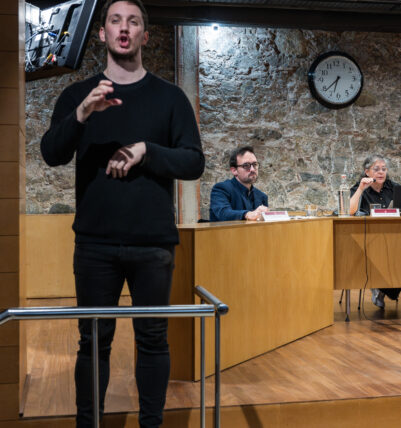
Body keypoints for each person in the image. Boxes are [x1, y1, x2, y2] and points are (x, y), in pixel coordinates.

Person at [39, 1, 205, 426]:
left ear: (145, 35)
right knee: (93, 342)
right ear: (103, 33)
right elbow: (51, 153)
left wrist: (147, 150)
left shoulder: (170, 98)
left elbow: (193, 162)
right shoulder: (78, 96)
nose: (124, 28)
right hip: (95, 244)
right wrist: (82, 114)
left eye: (133, 22)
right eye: (115, 21)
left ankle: (152, 423)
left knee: (153, 341)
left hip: (153, 244)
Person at [349, 155, 401, 308]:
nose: (381, 172)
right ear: (367, 172)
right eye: (376, 169)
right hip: (367, 239)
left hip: (393, 237)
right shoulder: (358, 188)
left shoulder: (394, 187)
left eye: (384, 169)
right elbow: (349, 211)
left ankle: (381, 288)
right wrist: (361, 189)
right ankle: (379, 286)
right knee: (382, 254)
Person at [209, 146, 269, 221]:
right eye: (246, 165)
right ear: (234, 170)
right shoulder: (221, 189)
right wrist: (247, 214)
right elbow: (223, 213)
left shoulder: (262, 196)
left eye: (255, 164)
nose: (252, 169)